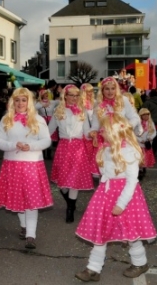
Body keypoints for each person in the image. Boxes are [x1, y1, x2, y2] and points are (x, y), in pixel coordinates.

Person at [75, 114, 157, 282]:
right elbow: (104, 173)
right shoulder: (106, 148)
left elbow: (132, 181)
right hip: (106, 193)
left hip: (126, 197)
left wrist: (121, 203)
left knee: (130, 231)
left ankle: (140, 263)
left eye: (104, 129)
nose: (101, 132)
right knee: (101, 230)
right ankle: (93, 268)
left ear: (114, 131)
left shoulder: (129, 150)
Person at [0, 87, 53, 249]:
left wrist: (31, 146)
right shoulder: (6, 119)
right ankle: (24, 226)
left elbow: (46, 140)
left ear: (29, 102)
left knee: (31, 200)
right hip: (12, 165)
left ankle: (31, 235)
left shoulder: (38, 120)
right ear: (13, 101)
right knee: (18, 199)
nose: (20, 103)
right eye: (17, 100)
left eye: (24, 100)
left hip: (32, 165)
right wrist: (13, 145)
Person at [49, 84, 93, 223]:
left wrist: (97, 134)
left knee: (74, 181)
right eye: (71, 95)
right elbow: (49, 131)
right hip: (63, 147)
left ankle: (70, 209)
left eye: (76, 95)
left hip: (78, 148)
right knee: (62, 184)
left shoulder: (82, 111)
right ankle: (70, 202)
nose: (74, 98)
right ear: (65, 96)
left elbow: (87, 131)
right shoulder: (59, 111)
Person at [89, 77, 141, 148]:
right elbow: (95, 124)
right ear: (102, 90)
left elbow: (134, 117)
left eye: (113, 88)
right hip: (105, 141)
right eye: (107, 89)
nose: (110, 92)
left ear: (116, 89)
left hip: (123, 139)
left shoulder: (123, 100)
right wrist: (93, 131)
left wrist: (126, 127)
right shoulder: (98, 104)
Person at [80, 83, 99, 177]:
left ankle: (92, 171)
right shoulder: (80, 103)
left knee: (93, 154)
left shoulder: (95, 103)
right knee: (85, 154)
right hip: (83, 131)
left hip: (94, 131)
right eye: (88, 91)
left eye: (91, 91)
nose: (90, 93)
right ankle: (85, 173)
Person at [35, 89, 59, 159]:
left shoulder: (52, 102)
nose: (46, 96)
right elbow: (34, 107)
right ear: (41, 95)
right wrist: (42, 105)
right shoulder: (39, 103)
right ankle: (42, 153)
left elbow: (60, 102)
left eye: (47, 94)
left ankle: (48, 154)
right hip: (42, 122)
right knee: (42, 136)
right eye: (44, 94)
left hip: (51, 121)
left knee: (50, 137)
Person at [142, 89, 157, 154]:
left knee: (147, 140)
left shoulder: (147, 103)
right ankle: (152, 154)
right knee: (156, 141)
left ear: (150, 95)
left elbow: (143, 112)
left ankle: (147, 155)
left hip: (150, 123)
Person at [135, 108, 156, 179]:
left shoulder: (151, 123)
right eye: (144, 115)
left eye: (147, 115)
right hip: (139, 144)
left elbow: (154, 132)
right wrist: (140, 139)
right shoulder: (138, 124)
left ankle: (143, 169)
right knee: (139, 157)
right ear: (140, 115)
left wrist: (150, 137)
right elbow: (134, 133)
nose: (146, 116)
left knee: (145, 157)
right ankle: (138, 170)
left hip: (147, 143)